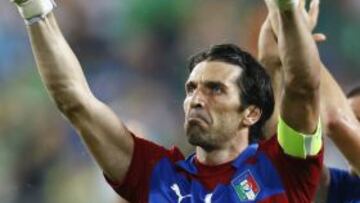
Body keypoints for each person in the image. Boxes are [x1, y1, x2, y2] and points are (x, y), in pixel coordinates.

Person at [10, 0, 323, 202]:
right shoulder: (158, 177)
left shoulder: (282, 168)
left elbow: (303, 89)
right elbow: (75, 101)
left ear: (251, 113)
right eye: (191, 89)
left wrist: (286, 9)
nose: (196, 99)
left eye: (215, 89)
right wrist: (35, 9)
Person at [257, 0, 360, 202]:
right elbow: (286, 163)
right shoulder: (345, 188)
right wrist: (271, 64)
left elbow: (335, 119)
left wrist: (293, 32)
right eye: (355, 119)